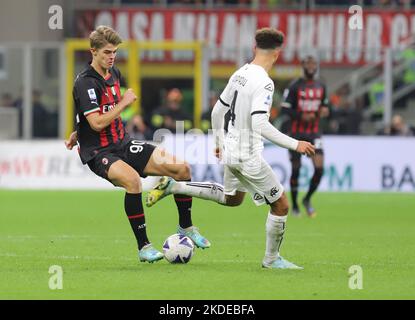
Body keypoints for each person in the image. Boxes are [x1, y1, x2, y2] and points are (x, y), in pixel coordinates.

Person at [146, 28, 315, 269]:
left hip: (231, 149)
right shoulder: (265, 83)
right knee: (281, 205)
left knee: (232, 198)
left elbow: (217, 111)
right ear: (278, 53)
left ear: (255, 48)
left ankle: (176, 185)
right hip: (247, 155)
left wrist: (218, 143)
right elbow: (259, 124)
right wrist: (295, 143)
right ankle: (271, 259)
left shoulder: (240, 74)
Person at [64, 26, 210, 264]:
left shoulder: (114, 74)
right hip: (99, 152)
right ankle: (144, 247)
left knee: (182, 169)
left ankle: (186, 227)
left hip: (123, 142)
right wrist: (124, 103)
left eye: (115, 52)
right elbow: (98, 122)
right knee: (133, 182)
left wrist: (77, 131)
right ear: (93, 51)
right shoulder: (85, 82)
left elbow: (95, 113)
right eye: (107, 52)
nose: (112, 57)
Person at [280, 55, 329, 218]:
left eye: (313, 63)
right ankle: (294, 205)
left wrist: (326, 110)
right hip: (296, 133)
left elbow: (326, 106)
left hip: (314, 133)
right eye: (308, 63)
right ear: (303, 66)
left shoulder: (321, 85)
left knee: (320, 169)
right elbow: (285, 109)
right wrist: (301, 116)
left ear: (316, 66)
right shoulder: (294, 86)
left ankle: (307, 199)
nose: (311, 66)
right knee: (296, 170)